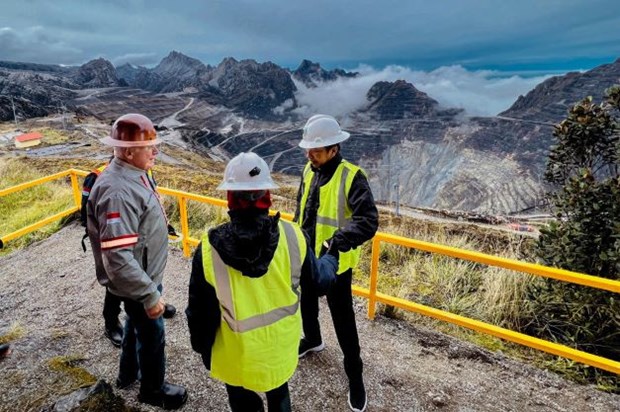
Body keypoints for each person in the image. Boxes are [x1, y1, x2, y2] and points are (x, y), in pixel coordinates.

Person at [186, 152, 339, 412]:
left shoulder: (209, 251)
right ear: (267, 197)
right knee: (279, 397)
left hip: (234, 353)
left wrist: (203, 349)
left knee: (241, 400)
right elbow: (319, 283)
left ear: (230, 199)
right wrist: (331, 257)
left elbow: (199, 313)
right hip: (279, 350)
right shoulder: (294, 237)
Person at [86, 113, 187, 409]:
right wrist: (149, 293)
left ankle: (127, 374)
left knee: (135, 325)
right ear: (128, 151)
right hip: (138, 281)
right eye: (149, 146)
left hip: (141, 276)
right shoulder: (118, 190)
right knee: (152, 334)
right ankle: (152, 390)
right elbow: (117, 256)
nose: (156, 151)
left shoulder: (132, 172)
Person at [294, 114, 378, 412]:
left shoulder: (352, 176)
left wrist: (338, 242)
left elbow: (368, 221)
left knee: (343, 319)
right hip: (306, 254)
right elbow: (302, 209)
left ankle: (355, 376)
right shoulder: (309, 170)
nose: (309, 155)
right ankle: (313, 340)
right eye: (308, 150)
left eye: (315, 151)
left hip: (336, 263)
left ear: (334, 149)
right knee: (306, 303)